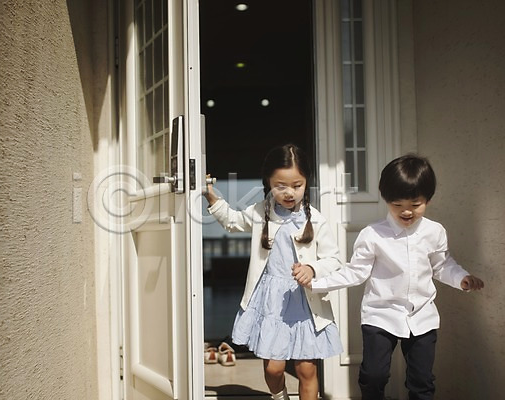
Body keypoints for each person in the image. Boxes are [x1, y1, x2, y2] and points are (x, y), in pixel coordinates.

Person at [303, 154, 485, 400]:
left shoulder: (435, 232)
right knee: (374, 375)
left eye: (415, 204)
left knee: (421, 381)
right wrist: (316, 283)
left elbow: (441, 266)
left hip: (422, 317)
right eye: (397, 205)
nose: (406, 211)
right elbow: (355, 272)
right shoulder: (372, 235)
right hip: (380, 315)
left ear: (428, 200)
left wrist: (461, 278)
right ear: (385, 199)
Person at [204, 144, 343, 400]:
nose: (289, 192)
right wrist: (211, 196)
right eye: (281, 186)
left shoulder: (316, 220)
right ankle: (279, 397)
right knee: (273, 367)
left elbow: (334, 260)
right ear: (268, 182)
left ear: (306, 182)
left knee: (306, 369)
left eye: (297, 185)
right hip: (272, 302)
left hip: (304, 302)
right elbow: (233, 221)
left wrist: (312, 269)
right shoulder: (260, 212)